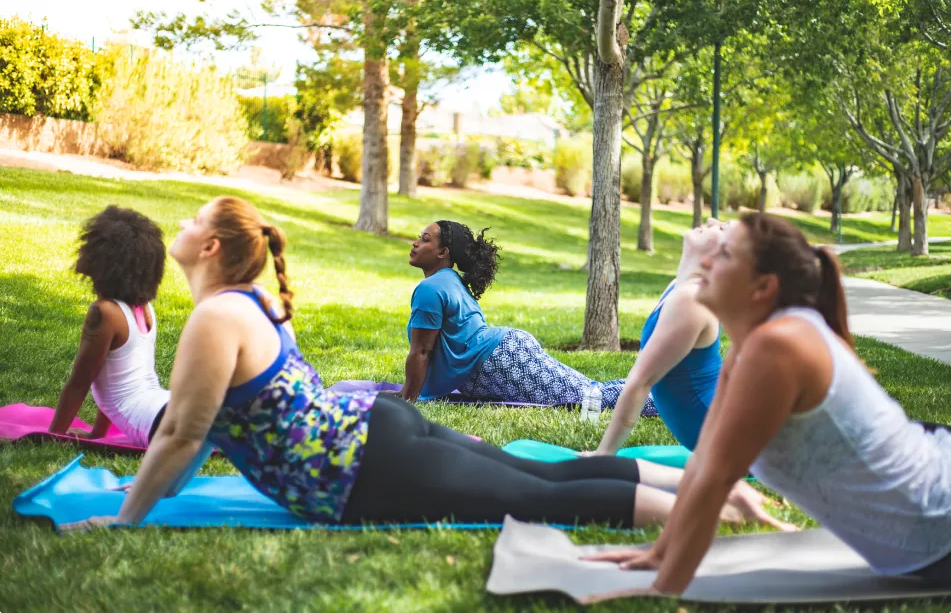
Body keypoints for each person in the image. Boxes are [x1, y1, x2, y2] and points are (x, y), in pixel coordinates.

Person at [60, 197, 789, 532]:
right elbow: (196, 434)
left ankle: (720, 506)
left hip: (364, 462)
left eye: (191, 223)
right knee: (545, 477)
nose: (179, 230)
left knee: (541, 498)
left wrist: (128, 518)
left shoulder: (217, 316)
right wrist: (148, 500)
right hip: (378, 433)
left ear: (212, 248)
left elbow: (185, 435)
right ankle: (714, 489)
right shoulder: (246, 304)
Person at [584, 212, 951, 591]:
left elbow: (718, 478)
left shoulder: (778, 345)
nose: (706, 261)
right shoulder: (750, 346)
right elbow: (704, 462)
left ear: (763, 288)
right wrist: (659, 555)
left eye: (725, 255)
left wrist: (663, 590)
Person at [401, 220, 656, 415]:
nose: (414, 243)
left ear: (443, 252)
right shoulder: (449, 281)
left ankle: (667, 402)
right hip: (501, 354)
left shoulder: (431, 288)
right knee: (589, 390)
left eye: (424, 240)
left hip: (499, 361)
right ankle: (658, 390)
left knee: (589, 398)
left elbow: (422, 352)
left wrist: (406, 401)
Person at [586, 219, 725, 454]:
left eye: (722, 228)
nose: (711, 220)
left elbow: (640, 383)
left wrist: (603, 455)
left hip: (731, 444)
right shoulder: (679, 287)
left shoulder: (692, 300)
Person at [48, 206, 171, 448]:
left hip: (159, 421)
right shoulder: (144, 308)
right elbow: (116, 380)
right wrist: (97, 433)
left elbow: (79, 382)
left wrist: (53, 435)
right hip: (165, 406)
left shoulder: (105, 312)